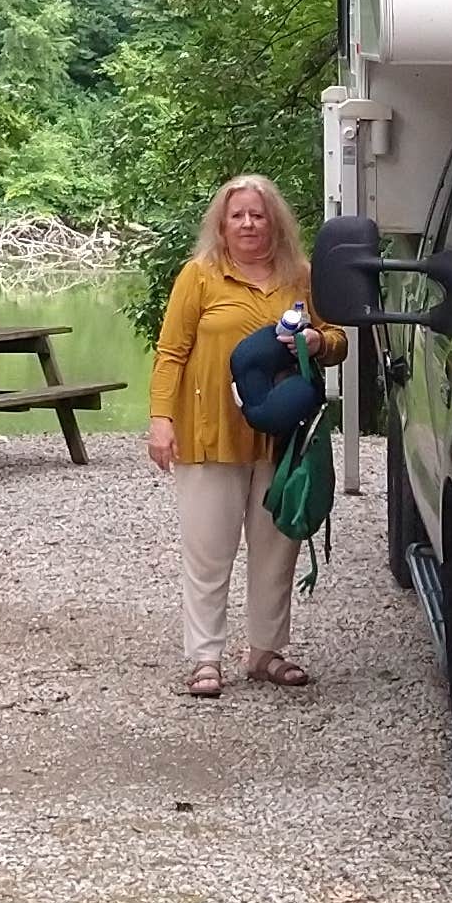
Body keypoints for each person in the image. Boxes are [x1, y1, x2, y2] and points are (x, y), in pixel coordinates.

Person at [147, 173, 345, 699]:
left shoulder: (301, 275)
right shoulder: (199, 276)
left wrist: (316, 340)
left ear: (274, 220)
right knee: (209, 552)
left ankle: (266, 653)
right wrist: (161, 420)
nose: (249, 223)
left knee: (276, 548)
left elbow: (338, 337)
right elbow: (171, 353)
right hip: (209, 431)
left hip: (282, 437)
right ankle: (205, 659)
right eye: (238, 215)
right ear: (222, 224)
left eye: (258, 214)